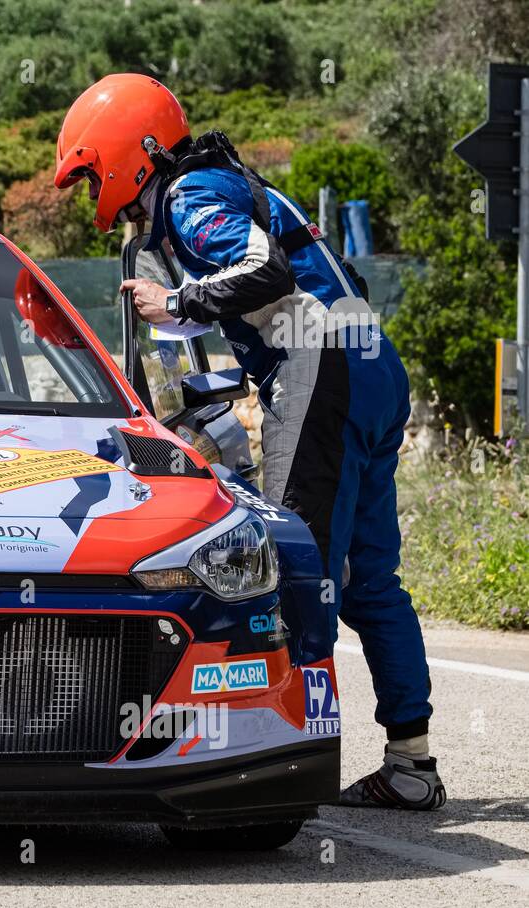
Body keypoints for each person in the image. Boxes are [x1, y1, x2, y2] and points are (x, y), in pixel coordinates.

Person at [53, 73, 445, 810]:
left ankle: (292, 763)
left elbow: (263, 273)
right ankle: (411, 763)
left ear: (125, 153)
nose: (91, 193)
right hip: (370, 366)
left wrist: (176, 300)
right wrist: (192, 315)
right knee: (368, 579)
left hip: (321, 367)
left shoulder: (188, 196)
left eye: (89, 174)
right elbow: (284, 280)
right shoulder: (225, 182)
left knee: (301, 569)